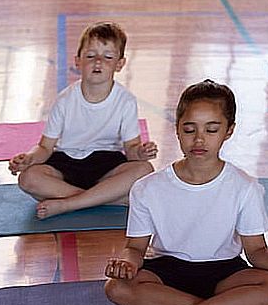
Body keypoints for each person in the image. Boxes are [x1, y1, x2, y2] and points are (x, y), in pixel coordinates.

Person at [103, 80, 268, 305]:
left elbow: (256, 250)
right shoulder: (147, 188)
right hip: (166, 270)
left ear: (228, 130)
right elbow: (135, 248)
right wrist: (126, 264)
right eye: (190, 129)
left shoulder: (245, 187)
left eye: (211, 130)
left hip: (226, 274)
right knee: (116, 287)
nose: (199, 139)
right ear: (177, 130)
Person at [8, 21, 157, 219]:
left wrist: (140, 151)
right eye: (90, 56)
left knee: (145, 169)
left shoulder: (126, 101)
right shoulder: (64, 100)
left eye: (108, 57)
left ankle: (68, 204)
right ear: (78, 61)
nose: (98, 62)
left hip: (107, 163)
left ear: (119, 64)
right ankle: (109, 199)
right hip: (65, 163)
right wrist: (28, 159)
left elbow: (131, 150)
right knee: (28, 179)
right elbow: (45, 148)